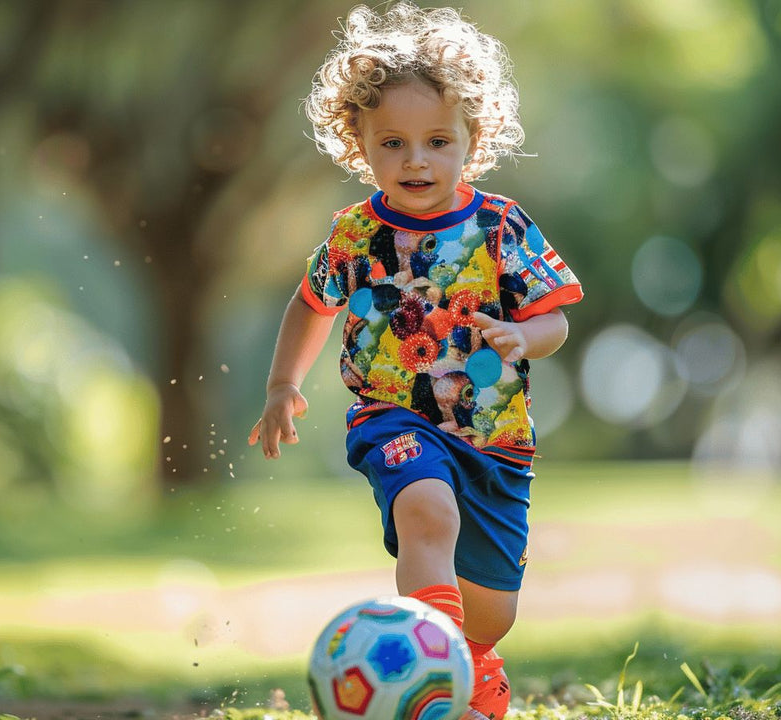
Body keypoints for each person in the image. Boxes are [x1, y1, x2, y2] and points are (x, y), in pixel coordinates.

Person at [248, 4, 583, 719]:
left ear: (472, 139)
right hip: (393, 417)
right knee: (426, 511)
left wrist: (525, 338)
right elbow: (312, 304)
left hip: (495, 437)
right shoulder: (355, 232)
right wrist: (283, 385)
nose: (416, 160)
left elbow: (553, 316)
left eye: (436, 141)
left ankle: (473, 660)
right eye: (393, 143)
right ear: (359, 144)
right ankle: (434, 687)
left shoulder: (501, 227)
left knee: (490, 613)